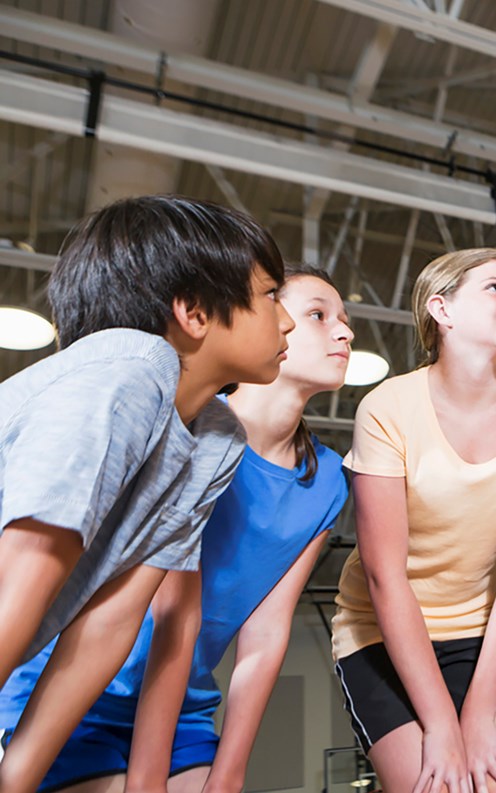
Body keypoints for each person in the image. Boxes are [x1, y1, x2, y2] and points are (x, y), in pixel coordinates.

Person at [0, 263, 354, 791]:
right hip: (75, 686)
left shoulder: (327, 479)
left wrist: (230, 771)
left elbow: (266, 632)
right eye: (318, 315)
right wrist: (146, 778)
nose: (345, 331)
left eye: (344, 318)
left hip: (183, 706)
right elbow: (168, 613)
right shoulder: (191, 428)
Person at [333, 248, 496, 793]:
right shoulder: (386, 408)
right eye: (494, 288)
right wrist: (441, 724)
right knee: (438, 785)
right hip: (381, 633)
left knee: (492, 784)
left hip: (478, 635)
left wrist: (478, 714)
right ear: (442, 310)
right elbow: (384, 576)